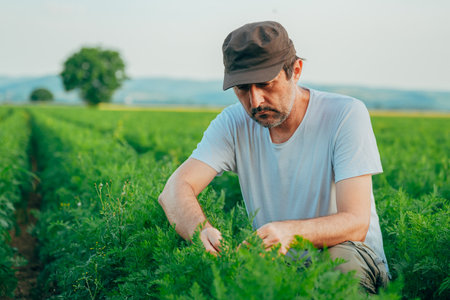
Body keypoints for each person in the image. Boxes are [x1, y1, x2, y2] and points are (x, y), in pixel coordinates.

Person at [158, 21, 389, 293]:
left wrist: (291, 233)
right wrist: (201, 231)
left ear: (296, 70)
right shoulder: (232, 123)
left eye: (266, 84)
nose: (255, 101)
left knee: (339, 265)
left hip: (350, 256)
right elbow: (174, 190)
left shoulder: (344, 114)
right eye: (242, 89)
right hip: (279, 265)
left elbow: (356, 223)